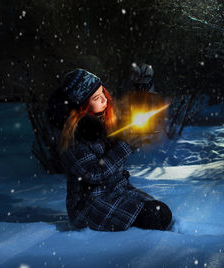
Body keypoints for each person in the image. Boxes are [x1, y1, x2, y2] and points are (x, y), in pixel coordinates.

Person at [50, 68, 173, 231]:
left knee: (160, 211)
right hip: (88, 203)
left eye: (102, 92)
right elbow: (94, 174)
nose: (103, 99)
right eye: (95, 97)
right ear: (83, 106)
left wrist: (132, 135)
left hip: (115, 190)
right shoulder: (73, 137)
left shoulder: (102, 118)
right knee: (155, 217)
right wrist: (125, 145)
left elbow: (115, 145)